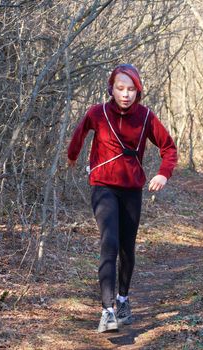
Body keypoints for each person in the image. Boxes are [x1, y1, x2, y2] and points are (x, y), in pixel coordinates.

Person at [67, 64, 177, 333]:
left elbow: (169, 148)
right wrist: (72, 156)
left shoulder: (146, 117)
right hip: (103, 186)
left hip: (132, 189)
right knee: (110, 243)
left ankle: (123, 300)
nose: (125, 94)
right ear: (111, 89)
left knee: (127, 247)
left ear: (137, 91)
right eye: (120, 88)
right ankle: (107, 312)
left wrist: (163, 174)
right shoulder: (98, 113)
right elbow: (79, 135)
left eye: (131, 89)